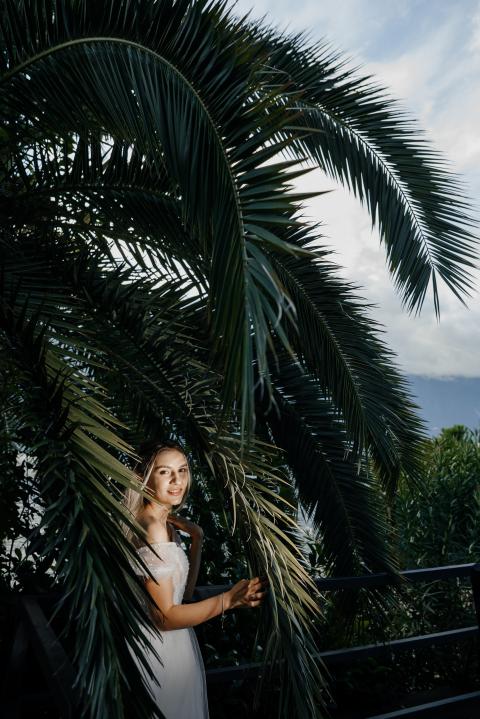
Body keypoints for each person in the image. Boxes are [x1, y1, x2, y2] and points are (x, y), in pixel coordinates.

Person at [122, 442, 269, 719]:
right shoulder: (153, 528)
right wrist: (228, 600)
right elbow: (164, 617)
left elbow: (184, 594)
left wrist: (197, 540)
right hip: (159, 649)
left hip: (174, 647)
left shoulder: (164, 524)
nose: (177, 480)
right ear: (144, 477)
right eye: (165, 472)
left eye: (182, 470)